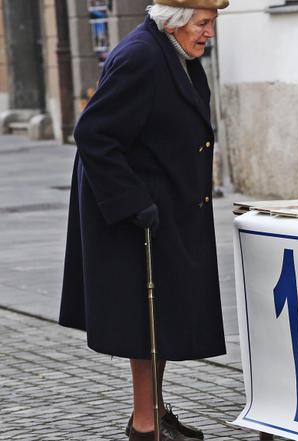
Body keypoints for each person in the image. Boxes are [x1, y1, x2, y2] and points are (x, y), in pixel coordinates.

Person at [60, 1, 229, 439]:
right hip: (135, 216)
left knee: (163, 315)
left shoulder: (172, 51)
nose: (209, 32)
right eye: (204, 23)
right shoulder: (141, 57)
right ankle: (145, 425)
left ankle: (153, 411)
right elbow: (93, 134)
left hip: (164, 204)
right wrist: (134, 202)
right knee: (146, 321)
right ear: (175, 22)